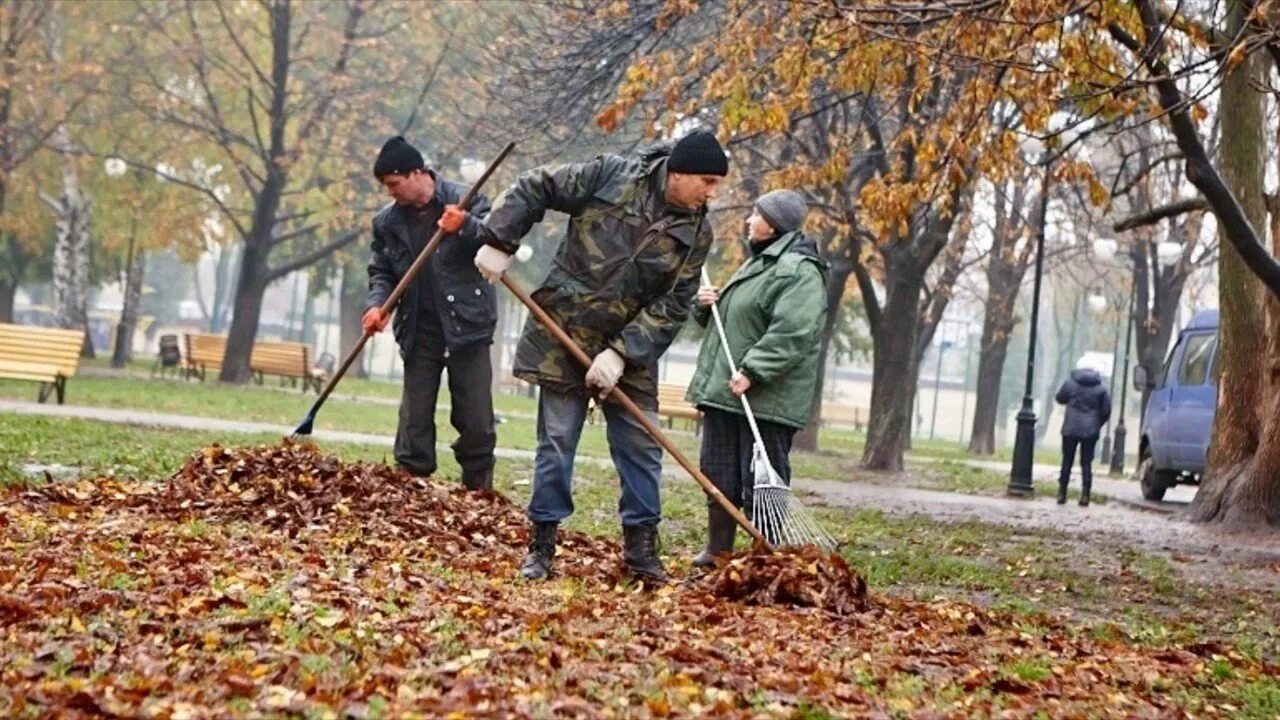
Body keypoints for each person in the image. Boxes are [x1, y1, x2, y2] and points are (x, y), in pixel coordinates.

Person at [448, 130, 728, 581]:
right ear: (677, 173)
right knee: (557, 443)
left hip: (630, 348)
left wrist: (621, 354)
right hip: (564, 330)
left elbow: (675, 302)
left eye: (717, 183)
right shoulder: (612, 177)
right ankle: (542, 547)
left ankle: (641, 553)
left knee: (641, 447)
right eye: (707, 181)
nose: (712, 192)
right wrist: (499, 241)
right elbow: (537, 184)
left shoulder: (697, 232)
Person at [685, 189, 828, 565]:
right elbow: (736, 322)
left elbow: (794, 331)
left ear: (775, 224)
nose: (749, 219)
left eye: (756, 214)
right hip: (726, 394)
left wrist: (754, 370)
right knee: (718, 473)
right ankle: (718, 551)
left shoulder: (798, 271)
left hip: (765, 399)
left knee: (763, 481)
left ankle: (763, 557)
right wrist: (707, 307)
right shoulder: (758, 263)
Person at [363, 136, 497, 491]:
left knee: (476, 419)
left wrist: (466, 225)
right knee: (414, 418)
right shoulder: (388, 222)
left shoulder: (467, 200)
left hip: (467, 326)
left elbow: (498, 240)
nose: (390, 193)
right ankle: (411, 489)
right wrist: (378, 305)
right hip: (419, 328)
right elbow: (382, 271)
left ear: (417, 173)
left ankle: (478, 490)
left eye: (393, 184)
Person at [1053, 363, 1112, 506]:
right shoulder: (1101, 389)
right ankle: (1085, 495)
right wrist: (1096, 424)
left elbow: (1060, 398)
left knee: (1067, 460)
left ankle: (1062, 493)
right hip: (1090, 431)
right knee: (1086, 463)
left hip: (1070, 429)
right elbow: (1106, 411)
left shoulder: (1070, 384)